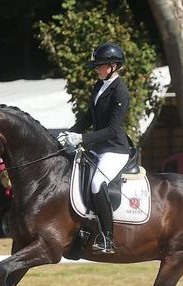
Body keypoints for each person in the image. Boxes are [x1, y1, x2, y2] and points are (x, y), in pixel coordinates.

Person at [57, 43, 131, 254]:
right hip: (98, 147)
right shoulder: (99, 86)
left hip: (115, 149)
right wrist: (68, 133)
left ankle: (108, 238)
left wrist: (81, 138)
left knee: (98, 183)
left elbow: (111, 129)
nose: (97, 69)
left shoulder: (121, 92)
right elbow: (89, 117)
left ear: (114, 66)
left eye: (101, 66)